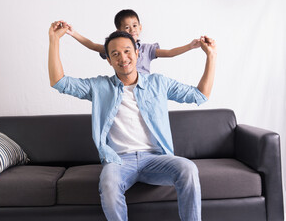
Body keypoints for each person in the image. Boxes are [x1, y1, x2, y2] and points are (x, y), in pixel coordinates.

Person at [48, 20, 217, 221]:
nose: (123, 58)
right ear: (109, 61)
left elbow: (200, 95)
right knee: (109, 184)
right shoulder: (99, 87)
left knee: (188, 168)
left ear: (137, 52)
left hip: (156, 158)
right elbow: (59, 82)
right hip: (118, 161)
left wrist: (211, 56)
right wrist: (54, 40)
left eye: (127, 51)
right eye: (115, 54)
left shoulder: (159, 83)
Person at [65, 9, 201, 74]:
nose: (132, 30)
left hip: (144, 88)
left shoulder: (147, 49)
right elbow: (93, 46)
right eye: (127, 27)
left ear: (140, 27)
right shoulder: (115, 48)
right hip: (125, 87)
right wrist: (73, 33)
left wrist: (190, 46)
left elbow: (170, 52)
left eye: (135, 26)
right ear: (119, 30)